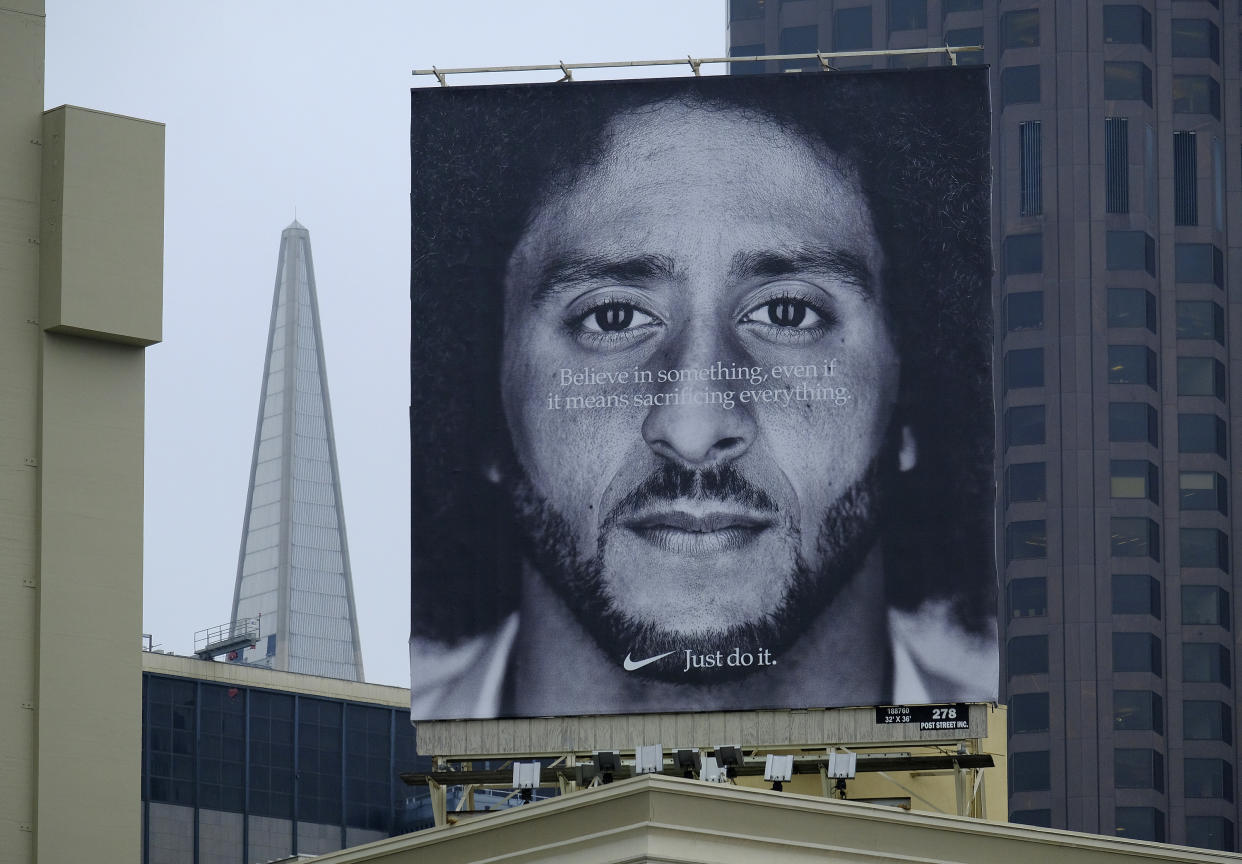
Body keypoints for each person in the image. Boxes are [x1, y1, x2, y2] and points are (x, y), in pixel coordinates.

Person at [409, 70, 997, 720]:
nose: (693, 430)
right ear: (487, 400)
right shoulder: (390, 777)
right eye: (612, 318)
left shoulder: (1021, 772)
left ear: (911, 388)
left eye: (789, 314)